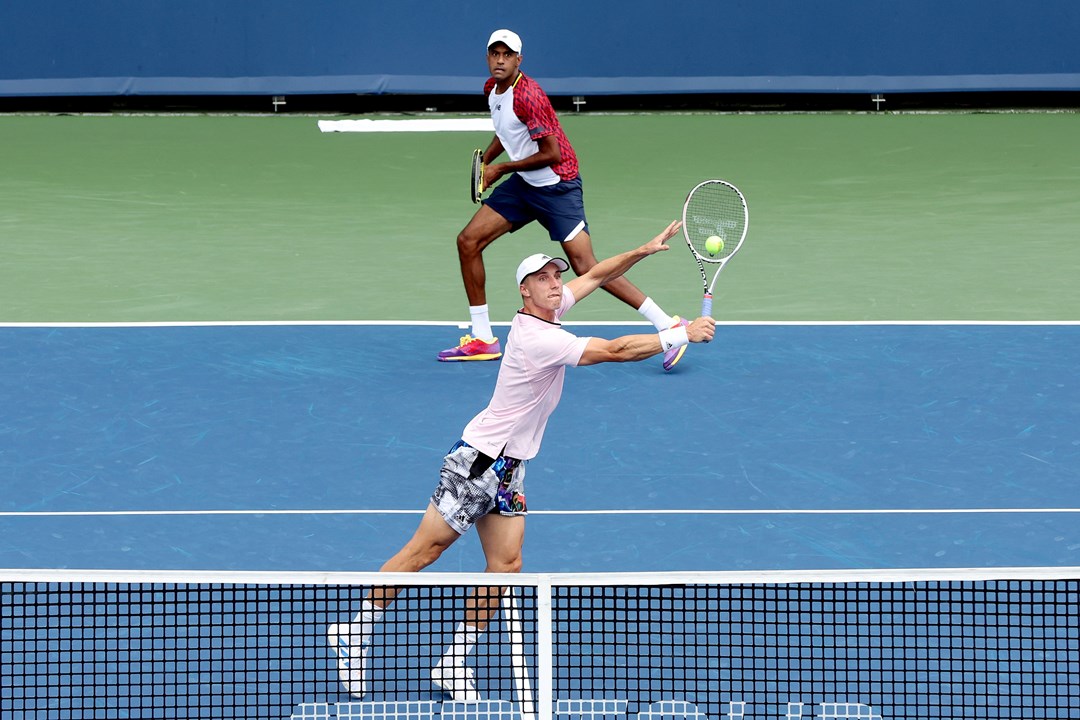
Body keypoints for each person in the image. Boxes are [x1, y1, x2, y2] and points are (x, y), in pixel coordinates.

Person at [329, 219, 715, 700]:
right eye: (545, 279)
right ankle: (354, 631)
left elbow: (594, 275)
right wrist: (678, 334)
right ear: (524, 291)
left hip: (511, 468)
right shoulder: (537, 337)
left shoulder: (551, 312)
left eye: (557, 277)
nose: (556, 283)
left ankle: (452, 662)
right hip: (479, 462)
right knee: (424, 552)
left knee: (507, 564)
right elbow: (615, 350)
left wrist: (644, 249)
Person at [438, 28, 690, 372]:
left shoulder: (530, 95)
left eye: (507, 55)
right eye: (494, 54)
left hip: (558, 186)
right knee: (468, 241)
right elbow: (506, 130)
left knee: (587, 267)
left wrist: (501, 169)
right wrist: (487, 160)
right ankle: (483, 338)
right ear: (487, 58)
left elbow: (552, 153)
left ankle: (668, 324)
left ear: (518, 60)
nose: (500, 60)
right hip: (525, 185)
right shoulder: (492, 90)